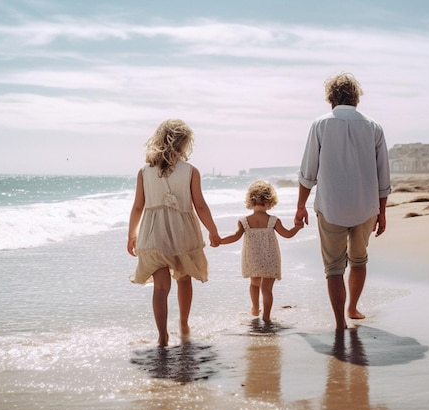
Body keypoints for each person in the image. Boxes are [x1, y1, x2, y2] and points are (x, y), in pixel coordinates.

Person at [295, 73, 391, 330]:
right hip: (366, 206)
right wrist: (382, 212)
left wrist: (300, 206)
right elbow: (383, 175)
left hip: (330, 207)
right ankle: (352, 308)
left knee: (334, 267)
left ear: (332, 98)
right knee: (359, 260)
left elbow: (308, 172)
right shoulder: (374, 126)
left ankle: (340, 323)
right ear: (356, 98)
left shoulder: (320, 124)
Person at [127, 119, 221, 346]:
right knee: (184, 279)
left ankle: (162, 335)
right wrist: (213, 230)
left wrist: (132, 234)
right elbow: (199, 205)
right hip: (183, 232)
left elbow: (138, 206)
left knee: (160, 287)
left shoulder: (144, 172)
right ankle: (184, 323)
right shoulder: (190, 171)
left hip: (152, 232)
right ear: (183, 144)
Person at [219, 179, 303, 322]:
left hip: (253, 259)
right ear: (270, 201)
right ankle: (266, 316)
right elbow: (287, 234)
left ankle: (255, 308)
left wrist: (220, 241)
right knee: (267, 289)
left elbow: (235, 237)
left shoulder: (244, 221)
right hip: (270, 259)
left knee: (254, 284)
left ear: (250, 200)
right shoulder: (273, 220)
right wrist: (297, 227)